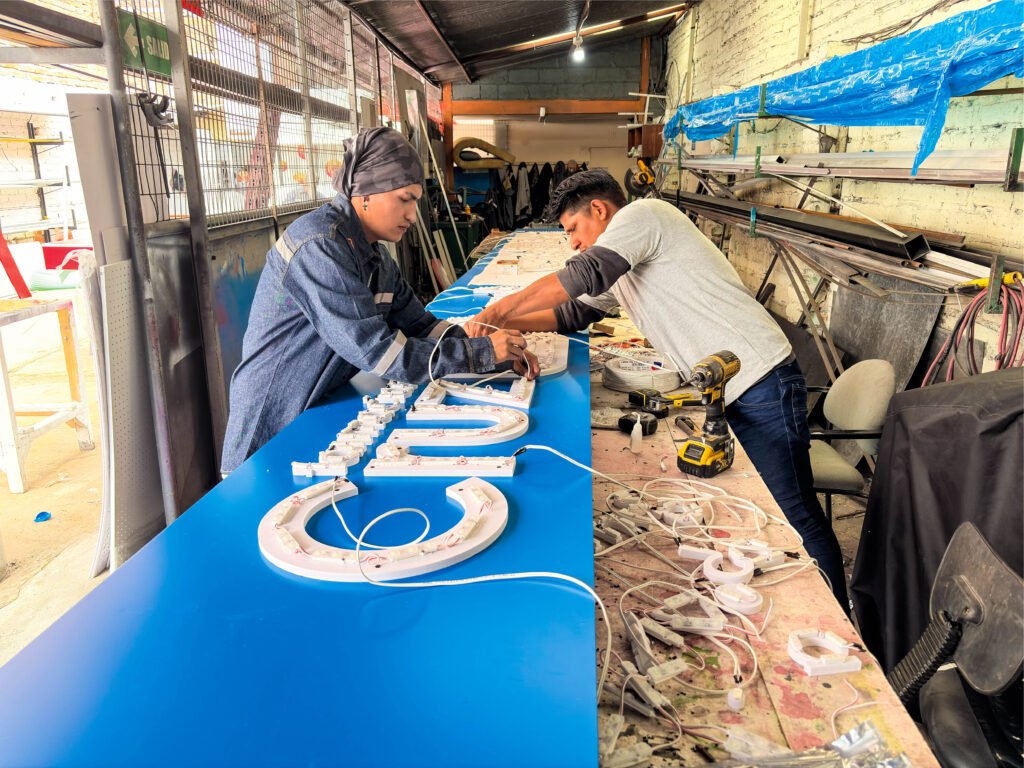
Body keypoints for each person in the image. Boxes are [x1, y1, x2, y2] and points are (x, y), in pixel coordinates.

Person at [468, 170, 848, 607]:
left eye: (573, 230)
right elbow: (570, 315)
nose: (571, 243)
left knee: (795, 513)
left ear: (599, 210)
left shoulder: (643, 215)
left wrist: (498, 307)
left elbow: (582, 274)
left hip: (760, 378)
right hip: (726, 386)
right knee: (761, 510)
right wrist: (497, 324)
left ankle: (841, 616)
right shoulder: (626, 260)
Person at [221, 127, 538, 474]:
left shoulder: (377, 259)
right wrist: (482, 352)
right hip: (274, 421)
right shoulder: (319, 246)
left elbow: (423, 326)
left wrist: (497, 356)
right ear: (366, 193)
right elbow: (378, 352)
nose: (413, 216)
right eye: (405, 199)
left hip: (319, 406)